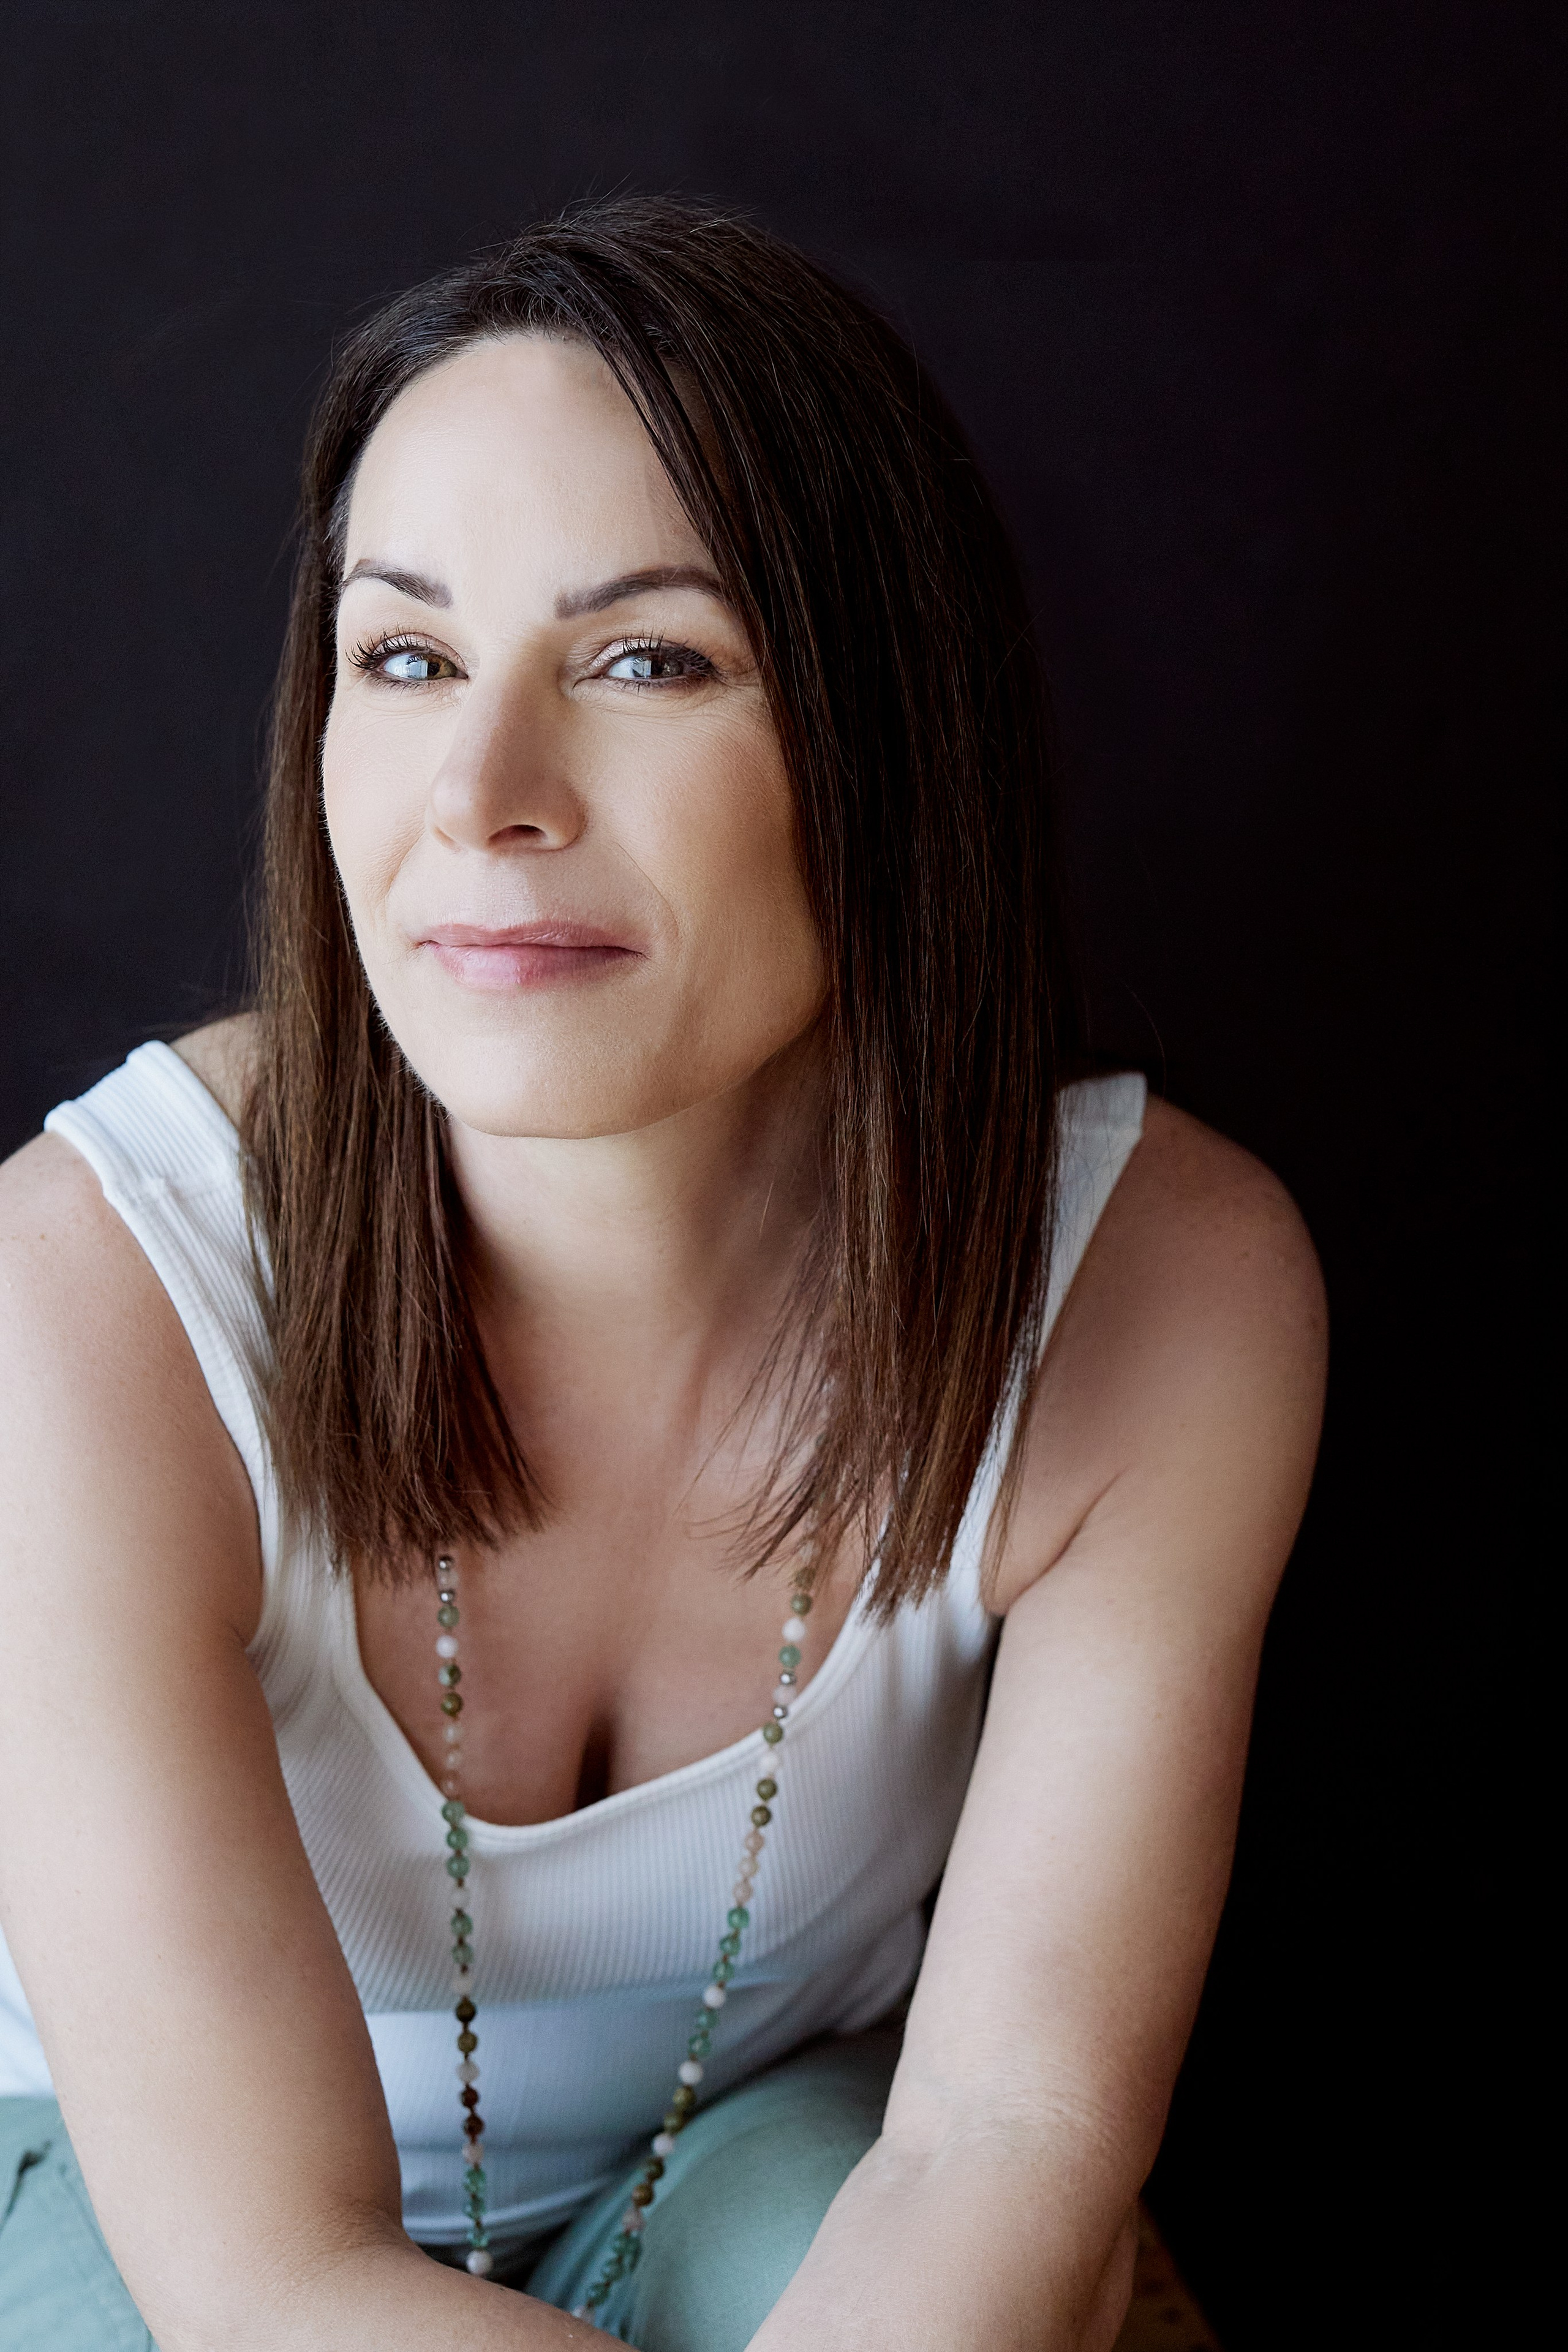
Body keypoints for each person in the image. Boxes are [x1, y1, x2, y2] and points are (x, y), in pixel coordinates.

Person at [0, 198, 1325, 2352]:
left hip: (744, 2142)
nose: (482, 794)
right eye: (406, 657)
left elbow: (1003, 2131)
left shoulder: (1165, 1292)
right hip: (143, 2191)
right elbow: (264, 2273)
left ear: (889, 746)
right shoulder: (84, 1294)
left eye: (648, 660)